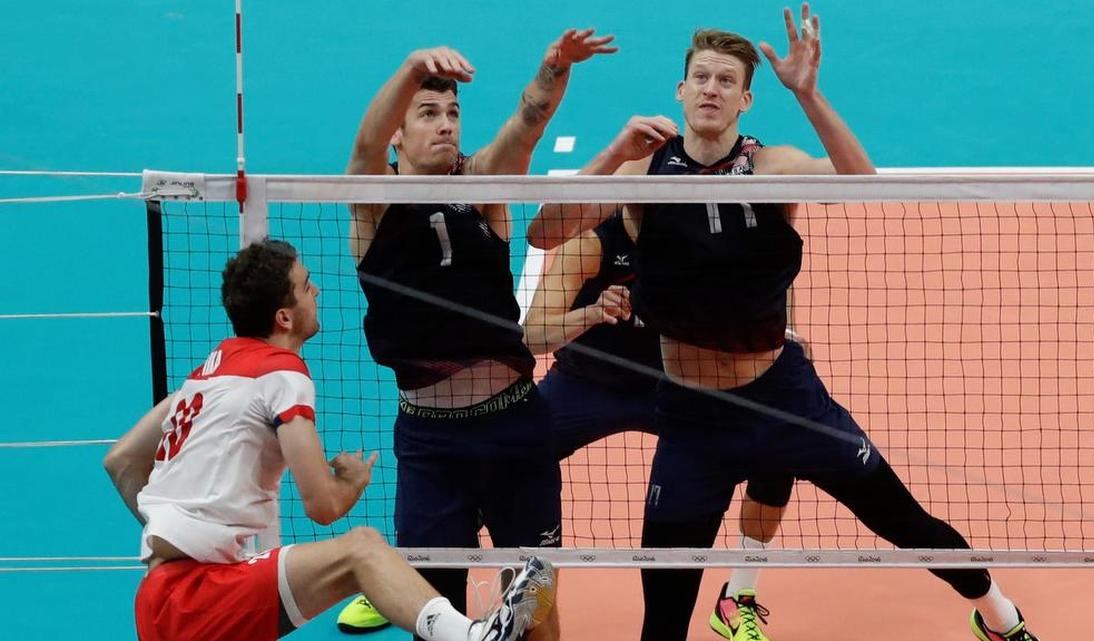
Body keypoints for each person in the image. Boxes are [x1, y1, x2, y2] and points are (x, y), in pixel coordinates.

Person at [527, 6, 1039, 641]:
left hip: (784, 400)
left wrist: (809, 93)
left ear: (744, 99)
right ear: (680, 91)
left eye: (725, 81)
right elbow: (543, 232)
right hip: (691, 417)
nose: (711, 88)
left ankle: (998, 614)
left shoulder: (769, 168)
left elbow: (863, 183)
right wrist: (613, 154)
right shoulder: (643, 173)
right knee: (663, 606)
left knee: (903, 519)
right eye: (701, 77)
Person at [102, 239, 556, 641]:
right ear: (284, 316)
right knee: (361, 549)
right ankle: (475, 636)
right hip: (194, 599)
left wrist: (170, 528)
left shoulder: (207, 373)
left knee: (359, 557)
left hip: (173, 594)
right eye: (306, 286)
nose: (316, 291)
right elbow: (322, 507)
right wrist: (353, 482)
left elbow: (121, 460)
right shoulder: (282, 373)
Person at [339, 30, 617, 639]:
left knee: (536, 600)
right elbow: (362, 147)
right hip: (432, 446)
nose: (445, 125)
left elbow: (527, 123)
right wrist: (411, 67)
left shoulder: (483, 184)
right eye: (427, 112)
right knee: (435, 613)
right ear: (399, 132)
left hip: (515, 429)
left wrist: (554, 68)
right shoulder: (374, 204)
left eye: (453, 113)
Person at [522, 211, 802, 640]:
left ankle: (737, 597)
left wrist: (784, 331)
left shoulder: (707, 239)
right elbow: (533, 333)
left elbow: (771, 271)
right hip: (589, 382)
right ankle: (421, 564)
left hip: (681, 384)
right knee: (508, 453)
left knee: (777, 450)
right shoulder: (594, 243)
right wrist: (593, 313)